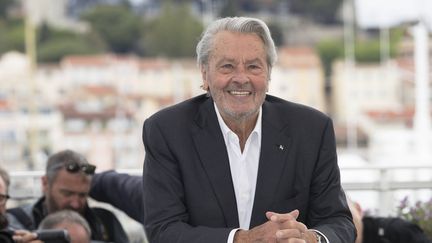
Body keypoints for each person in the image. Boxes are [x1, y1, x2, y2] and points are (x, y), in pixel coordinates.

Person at [142, 16, 356, 243]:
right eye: (227, 66)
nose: (241, 78)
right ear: (205, 74)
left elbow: (339, 223)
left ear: (269, 73)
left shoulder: (312, 129)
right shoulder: (167, 130)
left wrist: (311, 239)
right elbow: (163, 231)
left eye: (253, 66)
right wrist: (242, 240)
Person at [6, 149, 129, 243]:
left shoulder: (106, 223)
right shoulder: (13, 223)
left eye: (82, 195)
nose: (75, 203)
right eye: (67, 193)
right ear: (45, 183)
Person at [348, 200, 430, 243]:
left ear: (358, 209)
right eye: (334, 219)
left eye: (345, 213)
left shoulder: (396, 232)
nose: (342, 224)